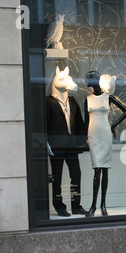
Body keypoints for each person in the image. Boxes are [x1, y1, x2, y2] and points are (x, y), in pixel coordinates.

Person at [84, 71, 126, 217]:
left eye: (91, 79)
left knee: (105, 170)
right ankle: (93, 205)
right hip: (93, 135)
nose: (88, 81)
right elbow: (86, 121)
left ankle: (103, 205)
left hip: (105, 134)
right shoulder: (88, 99)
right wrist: (84, 138)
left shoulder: (108, 97)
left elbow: (125, 111)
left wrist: (113, 125)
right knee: (96, 169)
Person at [46, 66, 88, 217]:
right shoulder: (48, 102)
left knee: (76, 174)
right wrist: (45, 143)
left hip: (71, 146)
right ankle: (59, 206)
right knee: (56, 176)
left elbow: (79, 121)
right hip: (56, 145)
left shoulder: (72, 101)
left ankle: (76, 205)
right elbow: (43, 124)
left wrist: (82, 141)